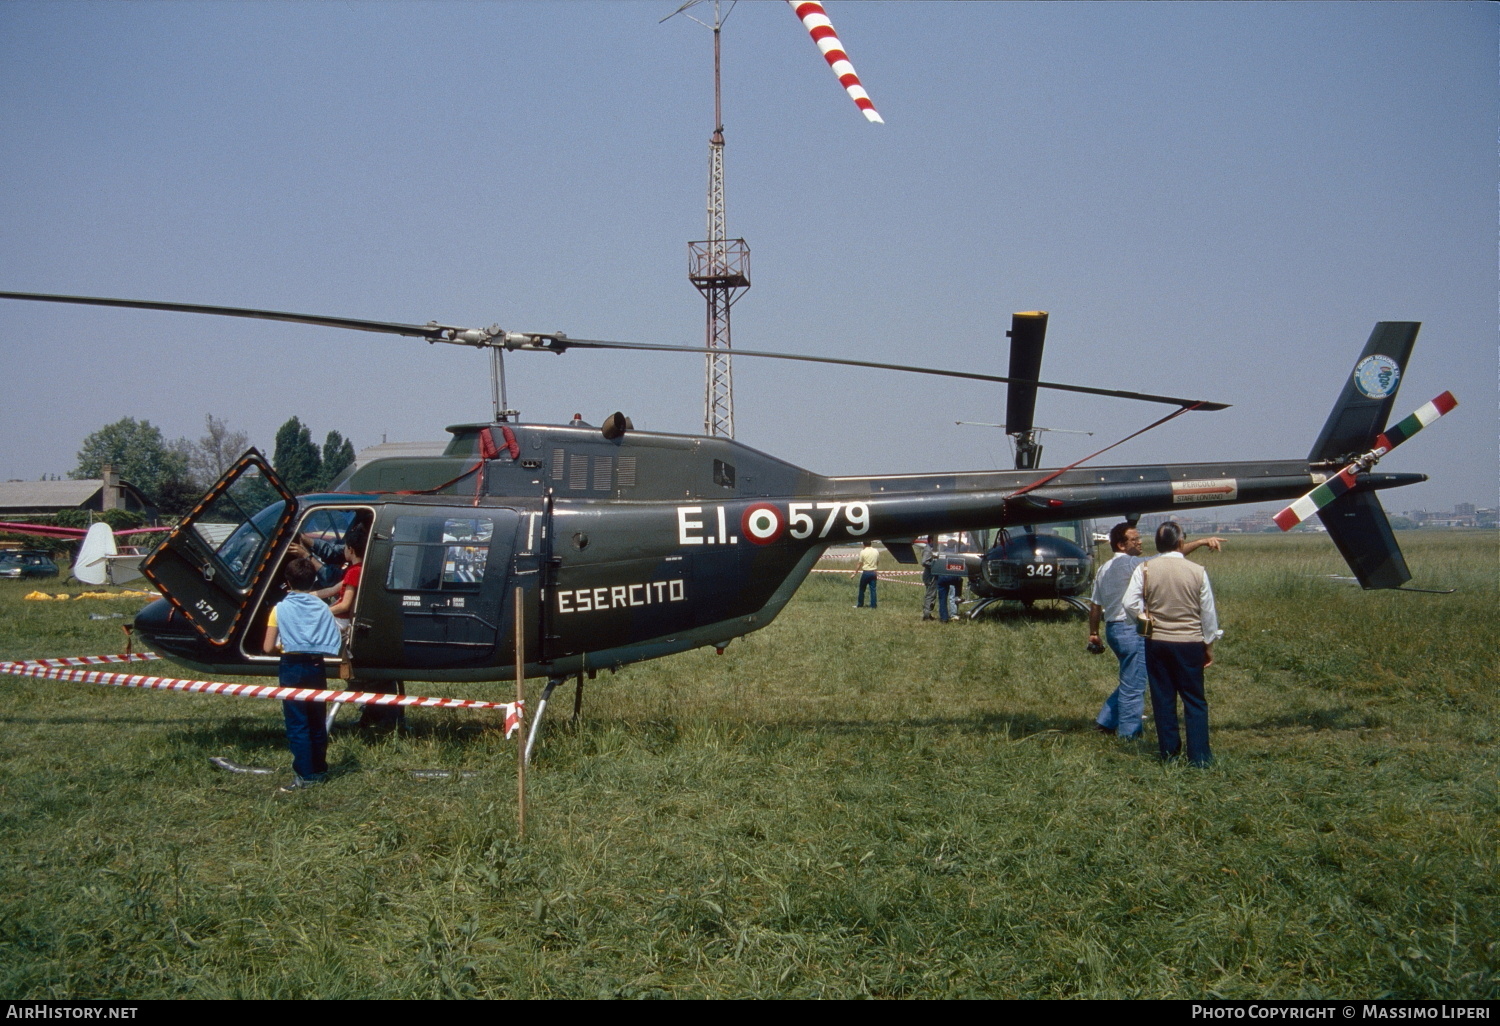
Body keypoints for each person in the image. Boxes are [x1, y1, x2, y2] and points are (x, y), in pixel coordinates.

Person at [1089, 523, 1222, 739]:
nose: (1140, 542)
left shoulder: (1104, 568)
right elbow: (1169, 558)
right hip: (1130, 629)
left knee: (1130, 676)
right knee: (1135, 685)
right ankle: (1129, 734)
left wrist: (1094, 632)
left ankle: (1106, 720)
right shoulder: (1132, 564)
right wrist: (1201, 542)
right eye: (1134, 539)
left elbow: (1095, 605)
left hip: (1113, 629)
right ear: (1122, 545)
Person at [1124, 522, 1223, 767]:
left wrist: (1142, 619)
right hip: (1190, 642)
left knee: (1163, 698)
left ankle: (1169, 753)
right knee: (1194, 700)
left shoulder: (1145, 568)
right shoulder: (1197, 571)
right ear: (1180, 542)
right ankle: (1199, 757)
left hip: (1157, 642)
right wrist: (1208, 644)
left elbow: (1128, 603)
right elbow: (1207, 613)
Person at [262, 556, 342, 791]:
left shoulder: (280, 609)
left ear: (287, 581)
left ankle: (304, 775)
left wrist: (280, 644)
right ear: (313, 580)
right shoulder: (322, 607)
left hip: (292, 666)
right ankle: (319, 769)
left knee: (298, 722)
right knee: (317, 719)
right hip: (317, 666)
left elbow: (267, 647)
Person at [854, 540, 879, 608]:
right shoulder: (876, 551)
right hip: (873, 572)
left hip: (866, 572)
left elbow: (860, 563)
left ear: (864, 544)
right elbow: (877, 561)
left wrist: (855, 572)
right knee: (873, 590)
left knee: (862, 589)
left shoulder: (863, 552)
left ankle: (860, 604)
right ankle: (873, 605)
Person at [920, 535, 939, 620]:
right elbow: (924, 562)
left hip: (932, 575)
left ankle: (928, 613)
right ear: (931, 540)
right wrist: (936, 566)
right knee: (930, 595)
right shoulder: (928, 549)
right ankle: (926, 614)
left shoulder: (931, 549)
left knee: (932, 594)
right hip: (930, 576)